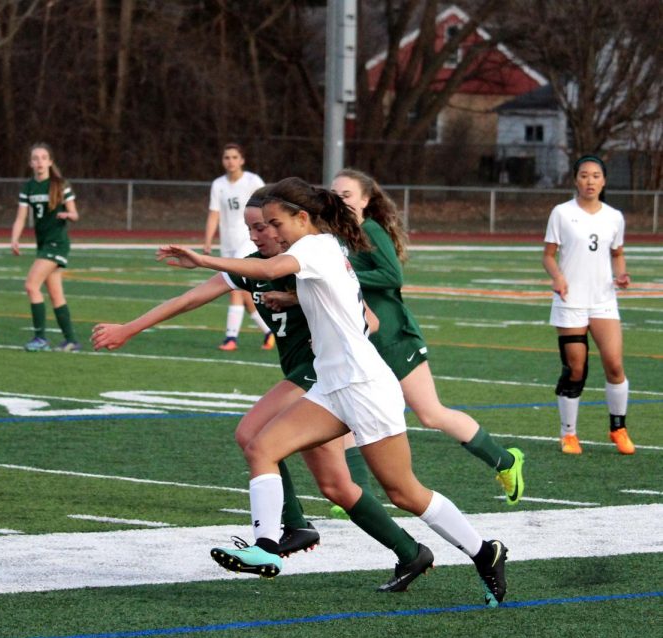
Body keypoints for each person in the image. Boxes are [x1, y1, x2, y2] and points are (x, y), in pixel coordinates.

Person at [158, 177, 508, 607]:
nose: (269, 232)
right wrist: (291, 300)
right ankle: (266, 548)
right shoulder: (312, 250)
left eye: (275, 223)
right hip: (332, 385)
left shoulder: (315, 246)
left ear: (302, 218)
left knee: (404, 492)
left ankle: (484, 550)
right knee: (261, 446)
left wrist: (203, 259)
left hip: (364, 386)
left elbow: (268, 271)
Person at [94, 186, 435, 592]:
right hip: (311, 375)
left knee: (252, 434)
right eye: (252, 228)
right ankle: (409, 552)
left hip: (323, 375)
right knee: (336, 487)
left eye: (265, 226)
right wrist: (129, 329)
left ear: (287, 225)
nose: (258, 236)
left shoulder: (304, 260)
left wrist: (296, 302)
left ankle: (288, 530)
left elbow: (371, 322)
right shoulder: (253, 265)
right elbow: (191, 298)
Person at [325, 169, 524, 505]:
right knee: (345, 417)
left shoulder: (370, 229)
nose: (339, 200)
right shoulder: (334, 237)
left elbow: (391, 275)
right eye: (334, 194)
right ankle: (357, 497)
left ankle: (506, 460)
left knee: (430, 414)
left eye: (346, 194)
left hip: (394, 337)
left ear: (365, 199)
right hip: (360, 342)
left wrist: (345, 274)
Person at [542, 155, 634, 455]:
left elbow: (617, 253)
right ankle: (569, 434)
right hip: (570, 302)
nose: (590, 181)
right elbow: (548, 255)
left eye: (596, 175)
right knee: (575, 368)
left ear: (604, 181)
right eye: (584, 175)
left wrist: (621, 275)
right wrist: (557, 277)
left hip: (603, 300)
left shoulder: (614, 217)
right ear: (575, 179)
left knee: (615, 364)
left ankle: (618, 428)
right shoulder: (561, 213)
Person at [10, 142, 81, 352]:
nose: (39, 162)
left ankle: (40, 338)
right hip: (43, 245)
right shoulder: (29, 187)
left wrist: (68, 215)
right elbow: (21, 217)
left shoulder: (60, 185)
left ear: (50, 161)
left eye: (43, 158)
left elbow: (75, 214)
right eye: (35, 158)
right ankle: (71, 341)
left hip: (57, 243)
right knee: (56, 294)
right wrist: (14, 239)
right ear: (30, 163)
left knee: (31, 286)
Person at [203, 143, 273, 351]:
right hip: (228, 243)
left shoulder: (253, 181)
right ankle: (269, 331)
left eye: (234, 157)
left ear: (242, 160)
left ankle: (230, 338)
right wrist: (207, 240)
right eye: (227, 157)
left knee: (233, 285)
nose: (230, 161)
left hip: (248, 240)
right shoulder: (218, 184)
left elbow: (267, 207)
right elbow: (214, 213)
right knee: (242, 293)